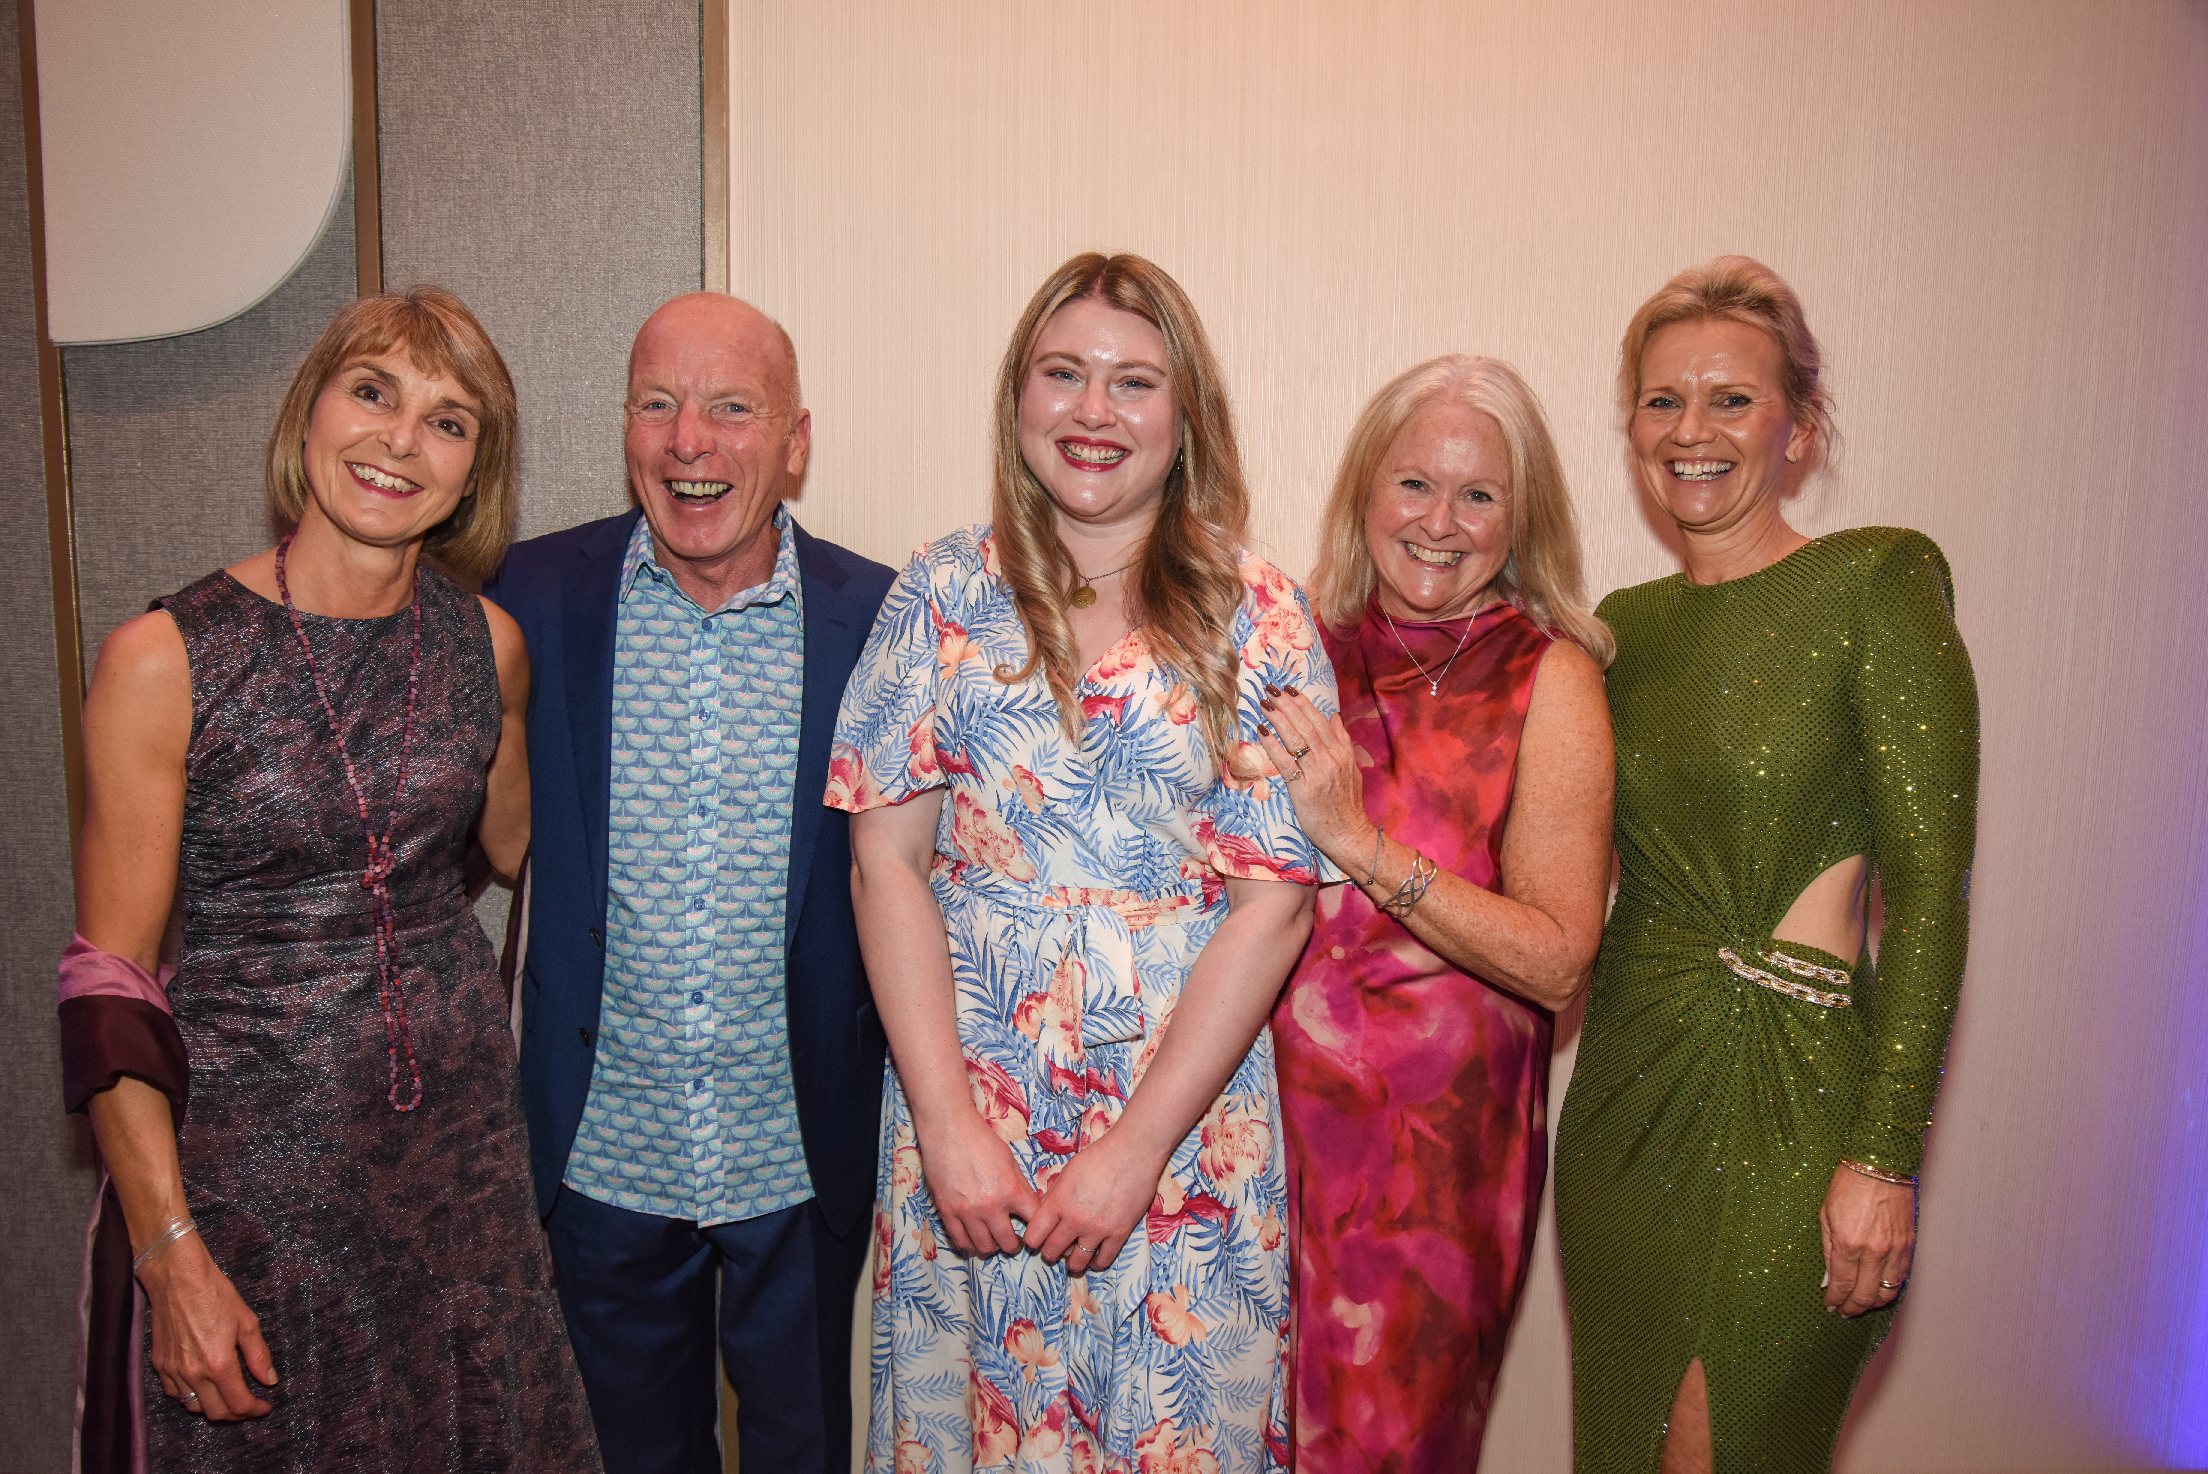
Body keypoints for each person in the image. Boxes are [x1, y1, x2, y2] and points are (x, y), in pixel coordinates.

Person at [59, 286, 600, 1472]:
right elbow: (109, 987)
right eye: (373, 392)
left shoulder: (489, 646)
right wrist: (169, 1251)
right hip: (253, 1190)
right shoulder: (164, 658)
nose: (401, 440)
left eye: (448, 421)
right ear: (309, 411)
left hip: (463, 1179)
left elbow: (527, 859)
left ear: (475, 472)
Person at [829, 251, 1333, 1473]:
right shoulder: (940, 590)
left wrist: (1135, 1152)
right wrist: (946, 1124)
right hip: (972, 1105)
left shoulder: (1260, 614)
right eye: (1063, 373)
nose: (1094, 410)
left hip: (1183, 1120)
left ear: (1185, 414)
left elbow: (1274, 907)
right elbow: (884, 862)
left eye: (1134, 381)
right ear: (1019, 398)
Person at [1553, 256, 1980, 1473]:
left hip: (1798, 1110)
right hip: (1625, 1105)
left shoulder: (1875, 584)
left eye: (1731, 399)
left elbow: (1930, 896)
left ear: (1798, 424)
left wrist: (1884, 1153)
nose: (1692, 431)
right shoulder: (1622, 629)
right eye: (1663, 400)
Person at [483, 291, 893, 1473]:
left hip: (797, 1148)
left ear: (795, 443)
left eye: (731, 408)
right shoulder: (524, 597)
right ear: (625, 427)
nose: (688, 441)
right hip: (599, 1154)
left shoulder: (882, 617)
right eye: (657, 404)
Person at [1255, 355, 1615, 1471]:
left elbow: (1558, 961)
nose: (1440, 523)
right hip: (1257, 1142)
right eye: (1414, 483)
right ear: (1365, 487)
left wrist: (1359, 844)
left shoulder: (1549, 678)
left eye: (1479, 495)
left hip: (1431, 1178)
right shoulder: (1291, 645)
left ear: (1520, 518)